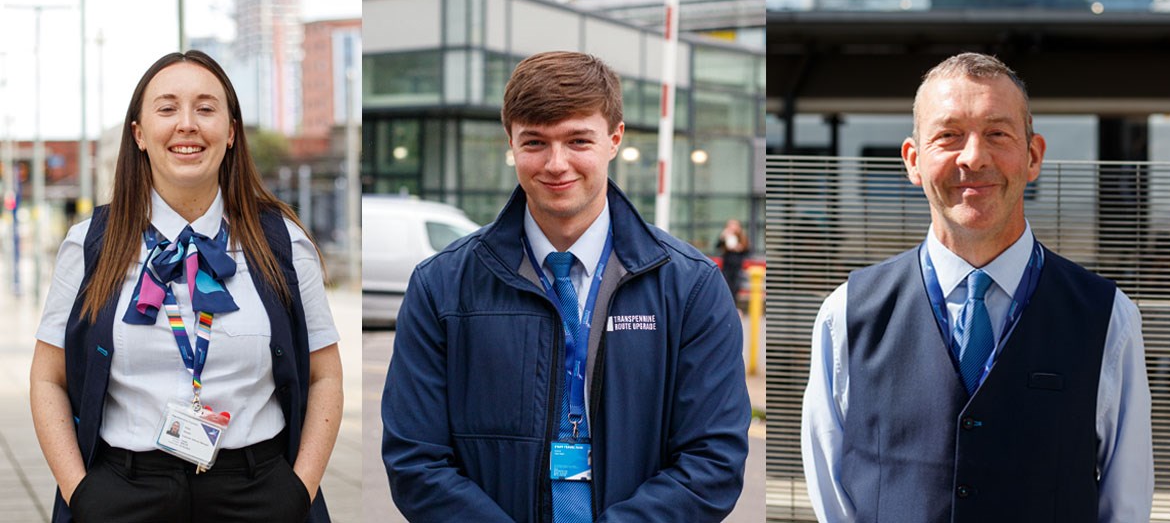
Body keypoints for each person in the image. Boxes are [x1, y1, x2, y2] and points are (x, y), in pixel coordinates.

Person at [382, 51, 750, 522]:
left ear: (615, 139)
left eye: (578, 140)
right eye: (535, 142)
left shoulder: (691, 286)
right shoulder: (440, 287)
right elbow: (415, 461)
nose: (557, 164)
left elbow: (713, 462)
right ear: (510, 143)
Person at [800, 52, 1154, 522]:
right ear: (913, 160)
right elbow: (831, 494)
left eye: (997, 134)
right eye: (948, 135)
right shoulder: (846, 313)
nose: (973, 157)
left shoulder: (1108, 317)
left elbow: (1125, 504)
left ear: (1033, 156)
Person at [30, 50, 343, 523]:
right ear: (138, 133)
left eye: (206, 107)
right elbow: (46, 378)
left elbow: (326, 376)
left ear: (231, 131)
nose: (187, 124)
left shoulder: (282, 242)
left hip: (258, 494)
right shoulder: (90, 245)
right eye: (167, 107)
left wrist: (299, 490)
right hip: (125, 493)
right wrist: (82, 495)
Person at [716, 219, 749, 304]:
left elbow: (747, 251)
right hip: (727, 267)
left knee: (735, 288)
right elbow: (717, 247)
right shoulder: (726, 237)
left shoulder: (742, 238)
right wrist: (722, 237)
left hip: (737, 267)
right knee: (726, 287)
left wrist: (739, 248)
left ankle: (734, 307)